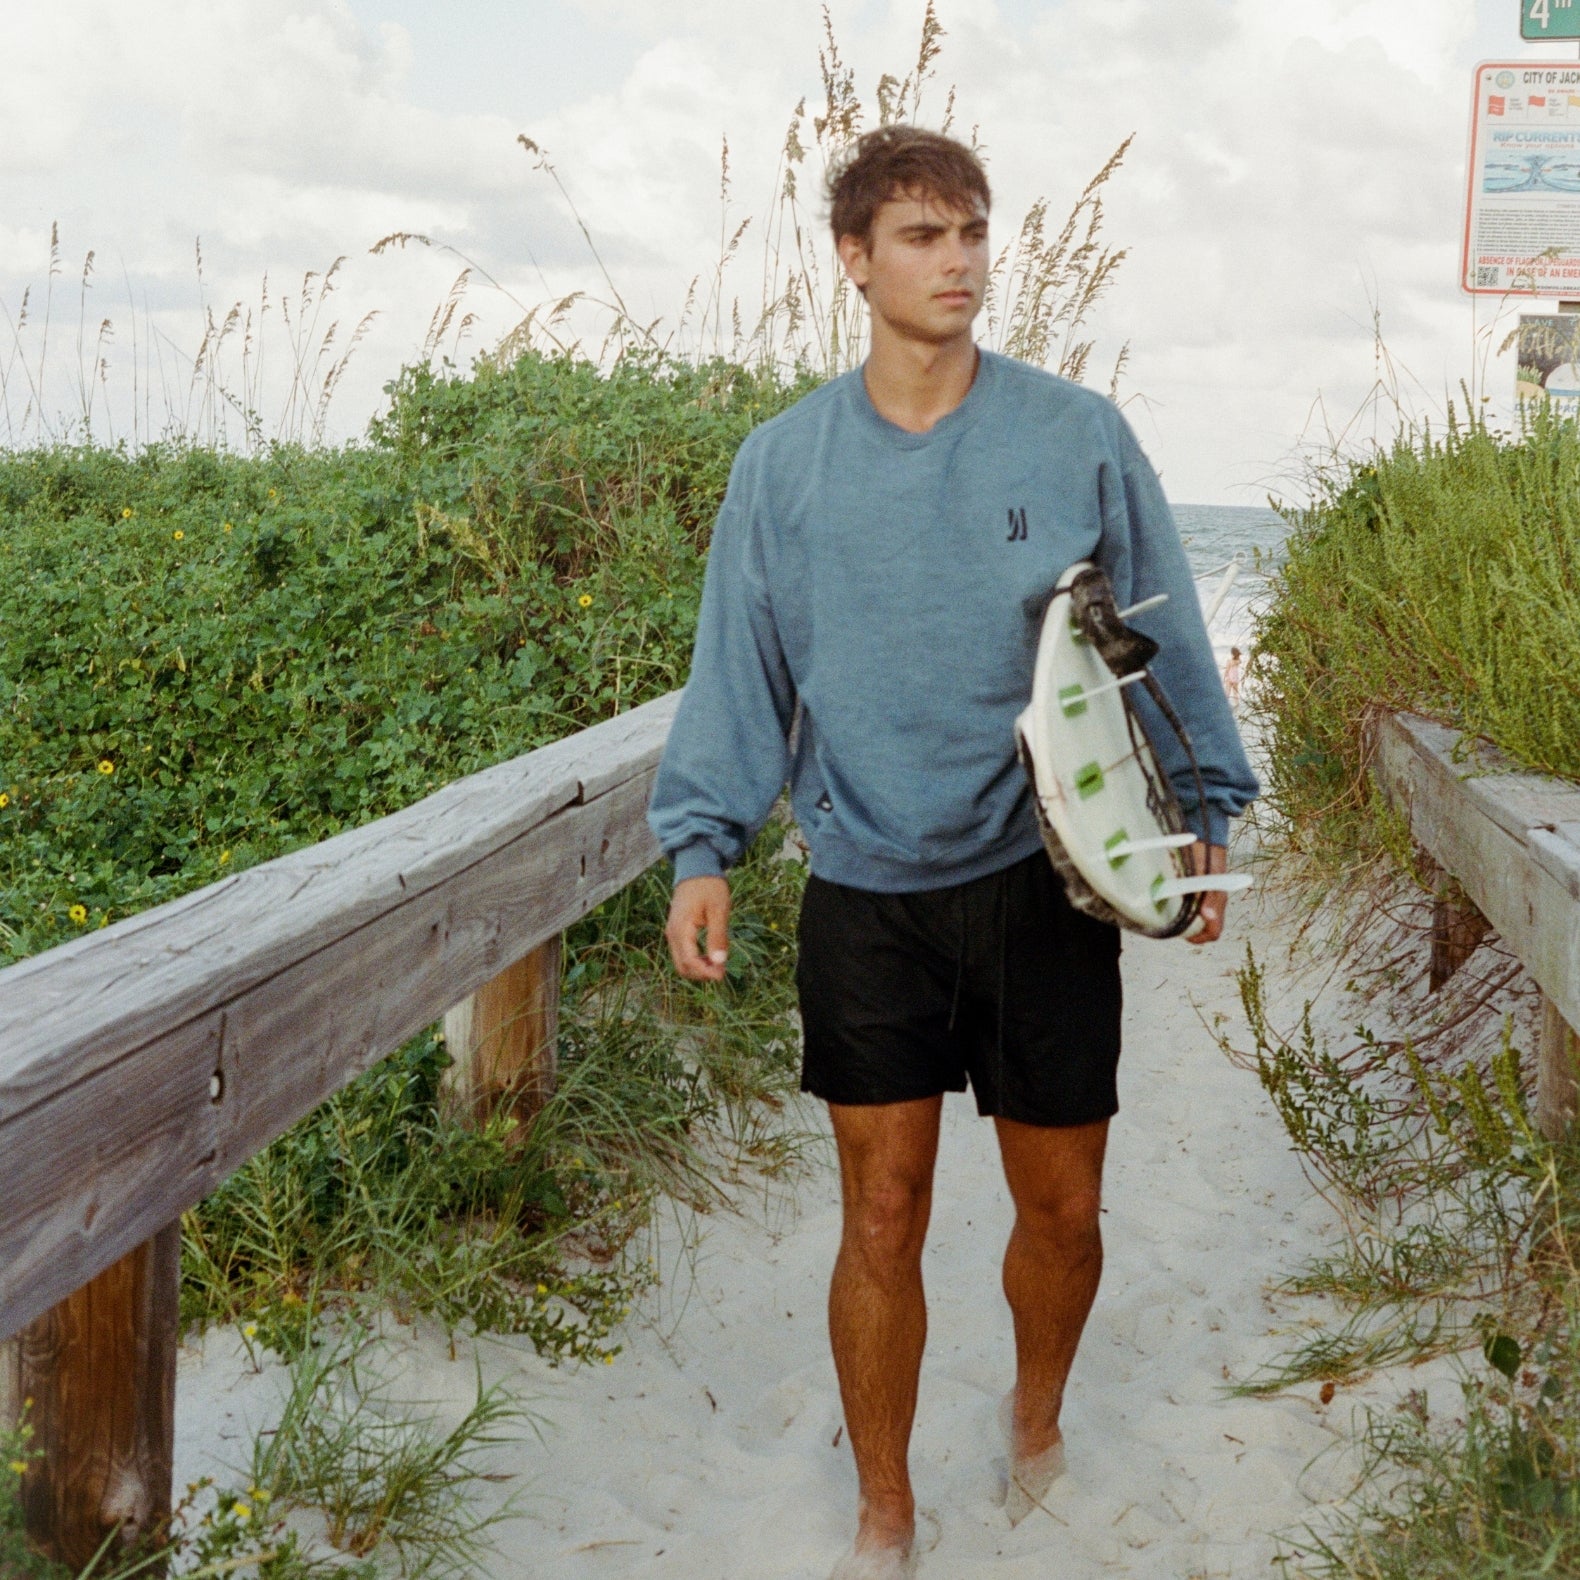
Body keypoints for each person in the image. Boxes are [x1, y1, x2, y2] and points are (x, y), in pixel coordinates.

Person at [647, 125, 1258, 1580]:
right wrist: (702, 843)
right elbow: (740, 668)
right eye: (923, 236)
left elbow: (1157, 628)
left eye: (974, 231)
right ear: (854, 260)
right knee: (885, 1208)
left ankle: (1035, 1419)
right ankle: (883, 1505)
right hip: (865, 884)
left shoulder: (1075, 434)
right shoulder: (782, 465)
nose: (961, 261)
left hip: (1044, 881)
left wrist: (1206, 813)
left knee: (1063, 1204)